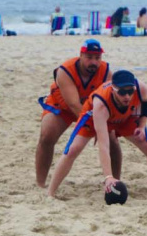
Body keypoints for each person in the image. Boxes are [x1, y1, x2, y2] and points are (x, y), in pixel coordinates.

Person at [48, 69, 147, 199]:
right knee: (72, 150)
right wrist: (108, 177)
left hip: (126, 117)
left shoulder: (141, 88)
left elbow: (146, 103)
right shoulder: (100, 105)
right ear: (113, 89)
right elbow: (104, 145)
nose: (127, 96)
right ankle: (50, 193)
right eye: (122, 92)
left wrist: (141, 126)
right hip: (92, 116)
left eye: (130, 91)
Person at [35, 39, 121, 187]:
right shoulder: (65, 71)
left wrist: (103, 128)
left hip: (93, 110)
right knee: (46, 135)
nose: (93, 62)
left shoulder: (107, 73)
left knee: (112, 139)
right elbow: (74, 105)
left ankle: (114, 180)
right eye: (89, 57)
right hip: (63, 107)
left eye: (97, 58)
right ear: (80, 55)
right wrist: (96, 128)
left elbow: (110, 102)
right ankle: (40, 183)